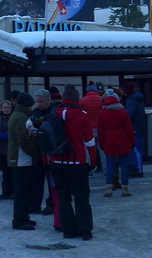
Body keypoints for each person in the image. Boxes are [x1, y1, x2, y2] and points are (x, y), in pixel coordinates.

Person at [48, 84, 98, 240]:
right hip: (77, 161)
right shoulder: (82, 115)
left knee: (63, 197)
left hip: (57, 161)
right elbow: (89, 141)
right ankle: (85, 230)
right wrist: (93, 161)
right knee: (82, 197)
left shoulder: (54, 114)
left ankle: (68, 229)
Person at [8, 92, 38, 229]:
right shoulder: (21, 117)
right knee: (22, 190)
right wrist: (34, 153)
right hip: (21, 159)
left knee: (23, 189)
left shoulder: (17, 115)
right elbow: (23, 140)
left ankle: (23, 217)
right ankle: (20, 220)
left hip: (19, 158)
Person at [97, 93, 136, 196]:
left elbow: (101, 131)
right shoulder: (124, 113)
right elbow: (129, 130)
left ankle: (108, 188)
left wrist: (102, 144)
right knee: (124, 166)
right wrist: (132, 143)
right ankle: (125, 188)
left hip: (109, 142)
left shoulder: (102, 114)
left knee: (110, 166)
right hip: (123, 141)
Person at [27, 89, 55, 218]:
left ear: (48, 100)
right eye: (36, 101)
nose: (38, 104)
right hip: (38, 150)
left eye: (41, 102)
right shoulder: (35, 111)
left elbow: (46, 126)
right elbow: (31, 122)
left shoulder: (53, 112)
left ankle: (51, 204)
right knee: (37, 178)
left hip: (50, 151)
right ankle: (34, 205)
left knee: (51, 179)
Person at [124, 82, 147, 176]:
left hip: (133, 128)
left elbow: (129, 115)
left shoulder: (130, 101)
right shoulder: (139, 100)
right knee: (138, 149)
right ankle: (138, 168)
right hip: (140, 127)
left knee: (135, 149)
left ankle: (137, 170)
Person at [0, 99, 14, 198]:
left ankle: (13, 192)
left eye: (8, 107)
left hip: (12, 150)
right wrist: (2, 136)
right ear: (1, 108)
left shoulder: (13, 118)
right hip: (2, 150)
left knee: (13, 173)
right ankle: (6, 192)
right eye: (5, 107)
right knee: (5, 173)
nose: (7, 109)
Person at [81, 84, 104, 172]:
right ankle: (106, 170)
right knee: (102, 149)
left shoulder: (82, 100)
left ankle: (90, 170)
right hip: (100, 128)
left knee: (90, 150)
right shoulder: (101, 99)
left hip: (88, 129)